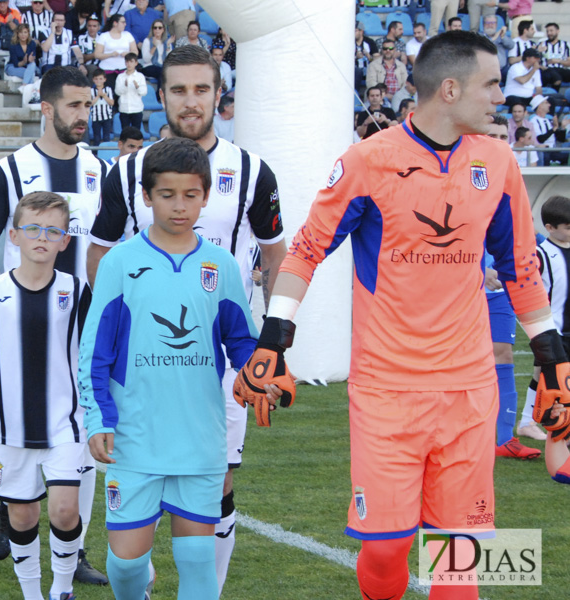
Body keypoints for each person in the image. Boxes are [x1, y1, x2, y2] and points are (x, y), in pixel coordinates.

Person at [232, 31, 568, 600]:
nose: (500, 98)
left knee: (459, 561)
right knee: (386, 548)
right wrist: (274, 338)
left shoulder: (499, 160)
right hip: (387, 391)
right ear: (450, 87)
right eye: (491, 84)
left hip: (468, 390)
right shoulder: (369, 161)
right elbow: (307, 250)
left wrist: (554, 360)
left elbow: (520, 270)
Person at [86, 45, 288, 594]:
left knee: (217, 483)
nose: (190, 100)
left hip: (220, 363)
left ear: (219, 93)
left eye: (202, 89)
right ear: (161, 94)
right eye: (178, 89)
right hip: (144, 369)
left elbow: (275, 255)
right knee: (136, 526)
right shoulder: (127, 171)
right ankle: (138, 564)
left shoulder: (251, 170)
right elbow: (100, 255)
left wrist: (270, 346)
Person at [0, 66, 109, 586]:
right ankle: (14, 504)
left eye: (89, 106)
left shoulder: (98, 170)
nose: (83, 115)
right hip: (21, 310)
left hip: (78, 318)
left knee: (76, 430)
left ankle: (75, 553)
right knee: (28, 414)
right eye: (74, 106)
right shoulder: (14, 168)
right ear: (46, 107)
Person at [81, 136, 257, 600]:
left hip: (200, 437)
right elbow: (94, 351)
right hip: (135, 437)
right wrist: (99, 417)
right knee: (125, 566)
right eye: (167, 194)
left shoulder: (220, 265)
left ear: (205, 195)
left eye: (191, 195)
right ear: (145, 196)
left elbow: (241, 340)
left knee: (198, 566)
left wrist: (260, 372)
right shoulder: (120, 261)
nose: (180, 206)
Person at [0, 192, 89, 600]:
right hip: (9, 428)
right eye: (33, 228)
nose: (42, 238)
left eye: (53, 231)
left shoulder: (77, 289)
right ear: (14, 236)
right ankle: (33, 595)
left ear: (65, 240)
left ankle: (62, 589)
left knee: (66, 510)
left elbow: (95, 355)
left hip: (65, 424)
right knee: (22, 515)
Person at [482, 115, 544, 461]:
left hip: (499, 291)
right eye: (492, 135)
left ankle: (506, 437)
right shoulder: (460, 175)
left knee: (502, 354)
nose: (499, 141)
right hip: (458, 290)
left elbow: (523, 234)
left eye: (503, 136)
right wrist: (478, 272)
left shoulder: (510, 177)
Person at [526, 196, 570, 442]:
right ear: (550, 228)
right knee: (548, 378)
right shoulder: (540, 254)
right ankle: (532, 421)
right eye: (568, 227)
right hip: (553, 329)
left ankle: (529, 422)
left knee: (544, 374)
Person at [95, 14, 139, 90]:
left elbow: (135, 51)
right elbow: (97, 54)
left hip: (125, 69)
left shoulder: (128, 35)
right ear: (115, 23)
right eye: (123, 22)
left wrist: (128, 54)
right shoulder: (104, 36)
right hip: (107, 70)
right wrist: (111, 54)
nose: (125, 24)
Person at [114, 53, 146, 131]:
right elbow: (117, 92)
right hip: (124, 109)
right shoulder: (120, 77)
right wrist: (125, 86)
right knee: (125, 132)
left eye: (131, 61)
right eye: (127, 62)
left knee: (136, 132)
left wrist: (137, 87)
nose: (129, 64)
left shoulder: (140, 76)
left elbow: (144, 92)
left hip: (137, 109)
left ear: (136, 63)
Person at [140, 18, 171, 85]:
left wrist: (168, 45)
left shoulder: (166, 42)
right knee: (162, 72)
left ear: (163, 30)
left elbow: (169, 60)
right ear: (152, 29)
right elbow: (146, 59)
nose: (157, 30)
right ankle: (159, 95)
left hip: (162, 66)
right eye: (155, 28)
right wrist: (154, 47)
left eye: (160, 28)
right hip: (149, 66)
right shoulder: (147, 41)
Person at [89, 68, 115, 146]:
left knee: (106, 136)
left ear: (104, 79)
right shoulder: (91, 91)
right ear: (93, 80)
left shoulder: (108, 89)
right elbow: (90, 104)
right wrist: (97, 96)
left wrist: (103, 95)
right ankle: (96, 154)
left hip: (107, 117)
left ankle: (106, 153)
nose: (98, 81)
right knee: (96, 137)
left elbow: (111, 103)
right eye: (96, 79)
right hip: (95, 118)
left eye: (100, 79)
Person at [543, 23, 570, 91]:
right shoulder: (542, 44)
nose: (549, 33)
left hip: (561, 69)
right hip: (547, 70)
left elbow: (569, 62)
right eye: (547, 31)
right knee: (557, 78)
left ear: (557, 31)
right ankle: (554, 96)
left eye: (551, 31)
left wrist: (558, 61)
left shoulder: (565, 44)